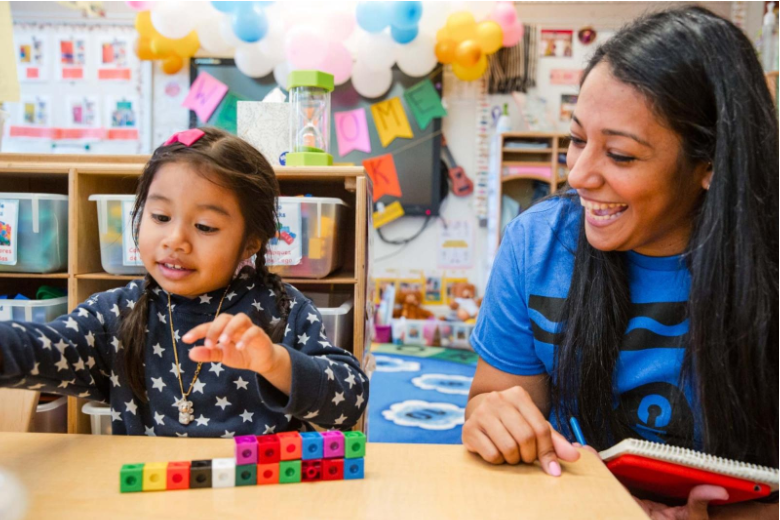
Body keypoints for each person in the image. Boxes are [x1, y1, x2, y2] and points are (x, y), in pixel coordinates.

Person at [465, 6, 777, 519]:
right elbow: (491, 401)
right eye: (578, 139)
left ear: (709, 166)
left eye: (622, 156)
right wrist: (490, 416)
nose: (581, 176)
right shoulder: (537, 244)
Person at [0, 127, 368, 436]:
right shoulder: (113, 312)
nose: (175, 239)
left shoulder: (282, 309)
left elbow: (349, 402)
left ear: (251, 243)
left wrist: (274, 362)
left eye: (205, 226)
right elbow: (40, 349)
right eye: (160, 216)